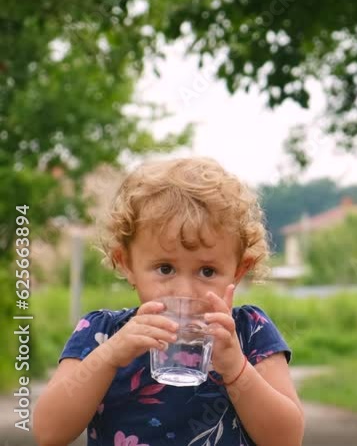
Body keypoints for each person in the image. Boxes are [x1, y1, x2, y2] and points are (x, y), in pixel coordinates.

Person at [33, 157, 304, 446]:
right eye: (165, 268)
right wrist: (110, 356)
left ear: (239, 271)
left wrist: (236, 368)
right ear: (126, 263)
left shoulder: (249, 333)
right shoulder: (103, 333)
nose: (184, 291)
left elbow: (286, 439)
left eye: (207, 271)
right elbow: (49, 432)